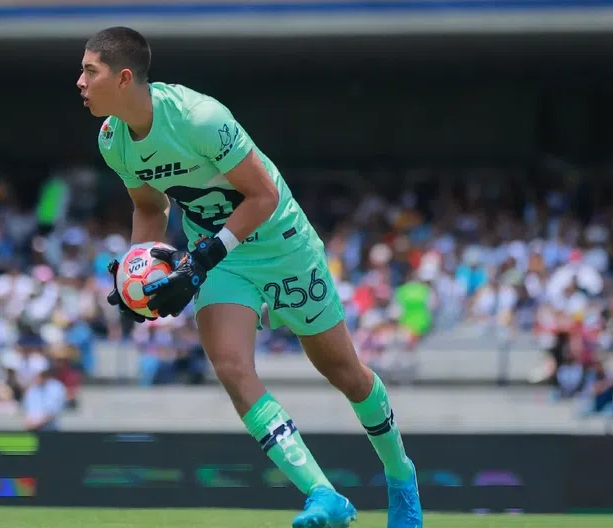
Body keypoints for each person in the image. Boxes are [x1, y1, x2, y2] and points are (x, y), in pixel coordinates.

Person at [78, 26, 422, 528]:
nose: (80, 82)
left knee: (345, 373)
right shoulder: (113, 141)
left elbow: (264, 196)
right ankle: (324, 495)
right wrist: (139, 271)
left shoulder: (200, 118)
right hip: (221, 258)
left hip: (282, 244)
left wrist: (201, 260)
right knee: (232, 368)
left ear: (124, 77)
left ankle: (401, 475)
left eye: (90, 71)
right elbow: (150, 206)